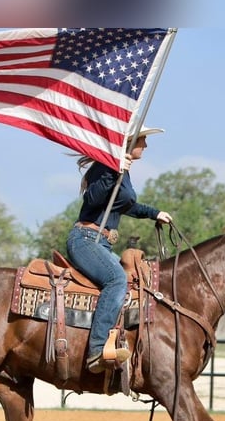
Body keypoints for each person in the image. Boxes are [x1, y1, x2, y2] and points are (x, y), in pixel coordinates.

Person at [66, 126, 173, 373]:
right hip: (85, 239)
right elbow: (93, 198)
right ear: (130, 142)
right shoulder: (105, 167)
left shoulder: (121, 171)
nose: (145, 146)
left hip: (100, 242)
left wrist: (154, 213)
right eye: (143, 140)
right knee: (116, 279)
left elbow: (125, 205)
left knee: (138, 280)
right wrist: (113, 171)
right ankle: (96, 350)